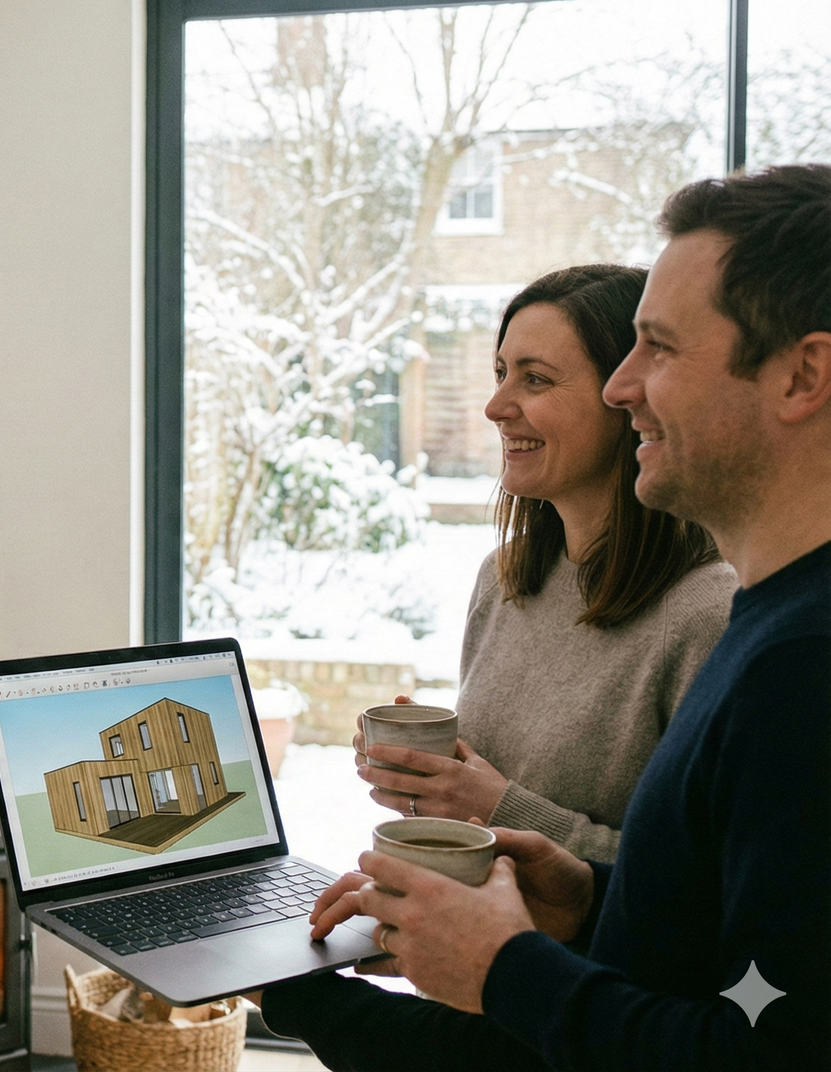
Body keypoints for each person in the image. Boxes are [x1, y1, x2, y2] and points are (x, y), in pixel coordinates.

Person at [258, 164, 831, 1068]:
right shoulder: (774, 625)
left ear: (805, 373)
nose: (622, 386)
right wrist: (588, 899)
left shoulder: (800, 663)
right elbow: (720, 960)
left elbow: (766, 1052)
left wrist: (506, 968)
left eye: (662, 349)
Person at [355, 265, 732, 863]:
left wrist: (498, 806)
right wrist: (433, 783)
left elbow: (703, 884)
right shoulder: (502, 578)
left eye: (535, 380)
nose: (495, 406)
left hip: (583, 959)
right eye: (502, 373)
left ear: (629, 398)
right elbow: (485, 817)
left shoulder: (705, 613)